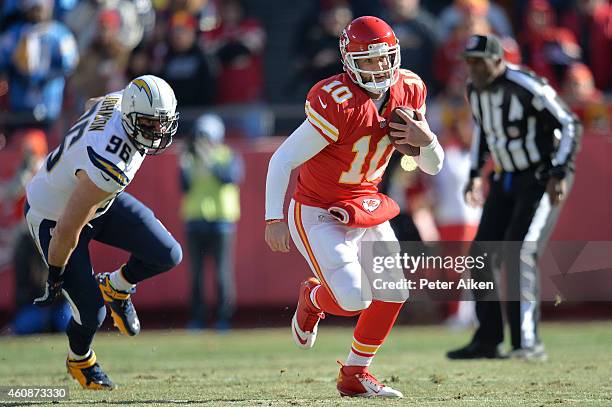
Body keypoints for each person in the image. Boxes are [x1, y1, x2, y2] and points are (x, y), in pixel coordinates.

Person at [265, 16, 444, 398]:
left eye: (385, 58)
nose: (379, 67)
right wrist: (273, 218)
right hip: (317, 209)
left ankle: (355, 374)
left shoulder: (410, 88)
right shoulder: (336, 101)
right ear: (349, 61)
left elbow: (433, 164)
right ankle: (313, 298)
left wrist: (425, 139)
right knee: (352, 298)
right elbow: (281, 159)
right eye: (369, 59)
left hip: (365, 203)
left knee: (394, 290)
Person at [24, 75, 182, 389]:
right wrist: (55, 274)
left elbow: (92, 104)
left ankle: (117, 286)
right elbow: (69, 227)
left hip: (97, 201)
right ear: (133, 117)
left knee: (167, 253)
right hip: (54, 217)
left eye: (163, 123)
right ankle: (80, 359)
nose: (159, 132)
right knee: (91, 312)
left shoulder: (122, 100)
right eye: (150, 124)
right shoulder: (111, 161)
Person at [446, 34, 581, 361]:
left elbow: (569, 123)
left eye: (479, 61)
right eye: (469, 62)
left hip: (539, 178)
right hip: (505, 177)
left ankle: (527, 343)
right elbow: (483, 131)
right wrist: (476, 173)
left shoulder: (525, 85)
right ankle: (488, 339)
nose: (473, 68)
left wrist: (560, 171)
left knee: (519, 251)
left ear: (497, 60)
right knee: (481, 254)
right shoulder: (475, 89)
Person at [180, 113, 243, 330]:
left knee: (221, 273)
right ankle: (197, 318)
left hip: (221, 222)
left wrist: (208, 160)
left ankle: (224, 318)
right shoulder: (189, 158)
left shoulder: (227, 155)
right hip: (195, 220)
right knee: (196, 275)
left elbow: (230, 177)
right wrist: (188, 163)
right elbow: (184, 185)